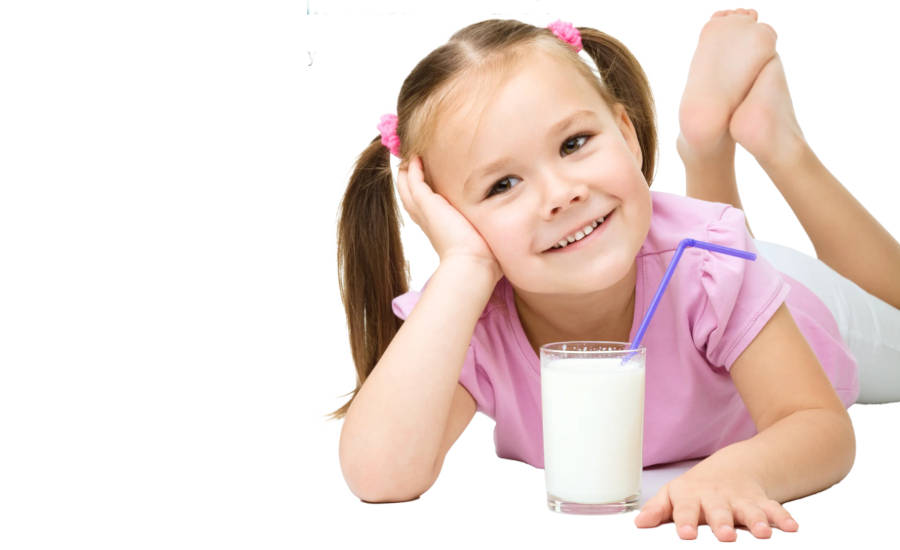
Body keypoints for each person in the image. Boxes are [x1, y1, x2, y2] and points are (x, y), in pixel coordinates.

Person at [331, 9, 900, 542]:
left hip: (794, 303)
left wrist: (736, 473)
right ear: (450, 218)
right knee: (705, 262)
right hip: (695, 257)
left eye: (574, 143)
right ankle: (707, 149)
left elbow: (818, 424)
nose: (562, 194)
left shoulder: (712, 265)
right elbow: (380, 478)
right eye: (501, 185)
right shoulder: (466, 320)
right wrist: (463, 267)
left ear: (627, 136)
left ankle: (777, 143)